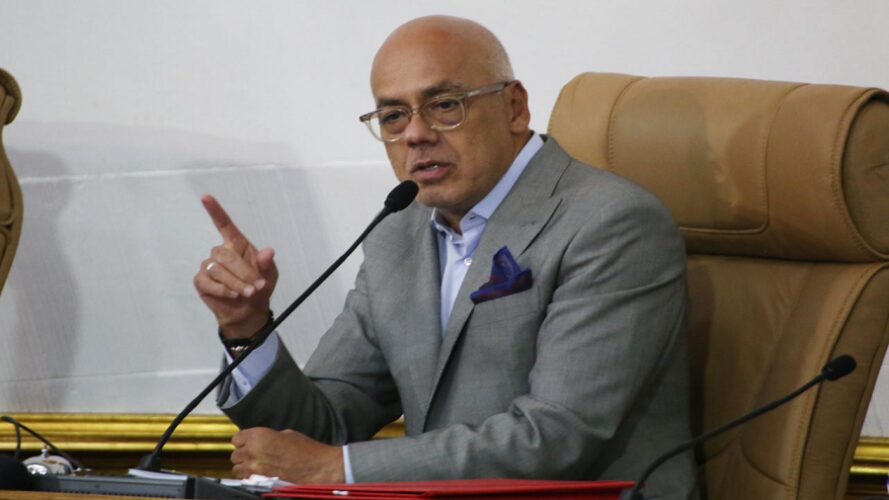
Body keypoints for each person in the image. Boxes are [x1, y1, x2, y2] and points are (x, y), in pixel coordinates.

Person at [193, 15, 698, 498]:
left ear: (515, 107)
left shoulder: (611, 223)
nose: (415, 134)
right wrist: (247, 329)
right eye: (393, 116)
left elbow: (555, 436)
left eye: (444, 105)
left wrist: (336, 468)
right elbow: (322, 428)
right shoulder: (399, 233)